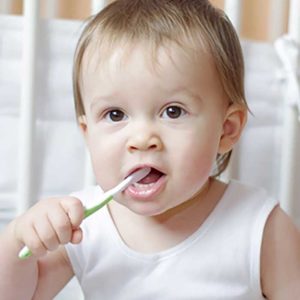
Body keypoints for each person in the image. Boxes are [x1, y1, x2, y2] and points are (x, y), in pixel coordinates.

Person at [1, 0, 300, 299]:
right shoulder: (83, 226)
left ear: (227, 129)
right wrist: (17, 240)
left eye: (173, 111)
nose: (142, 139)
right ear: (88, 134)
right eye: (115, 114)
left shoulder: (261, 227)